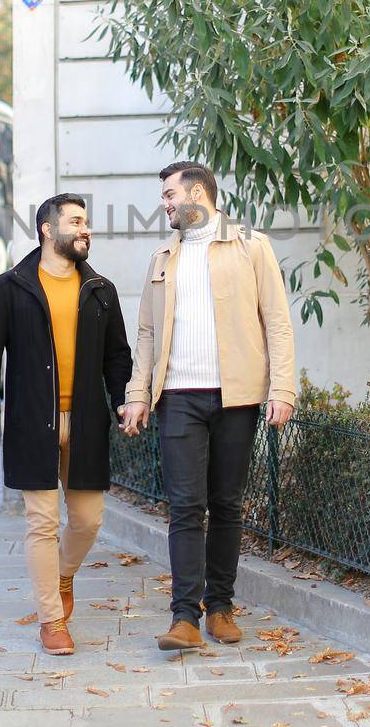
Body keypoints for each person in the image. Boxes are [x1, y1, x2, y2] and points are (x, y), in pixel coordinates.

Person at [121, 161, 296, 651]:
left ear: (199, 192)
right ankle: (183, 617)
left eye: (171, 193)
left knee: (226, 505)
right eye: (164, 196)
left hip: (236, 396)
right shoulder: (161, 257)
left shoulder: (251, 247)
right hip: (177, 397)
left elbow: (277, 322)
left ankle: (220, 608)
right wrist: (138, 394)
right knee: (184, 507)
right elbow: (147, 333)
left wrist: (282, 389)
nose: (166, 203)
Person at [0, 194, 131, 656]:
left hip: (84, 421)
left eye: (87, 222)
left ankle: (63, 576)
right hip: (29, 421)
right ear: (47, 229)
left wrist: (124, 402)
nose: (86, 230)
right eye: (76, 222)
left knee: (86, 518)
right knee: (42, 522)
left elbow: (117, 357)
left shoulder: (100, 289)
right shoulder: (10, 287)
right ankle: (51, 620)